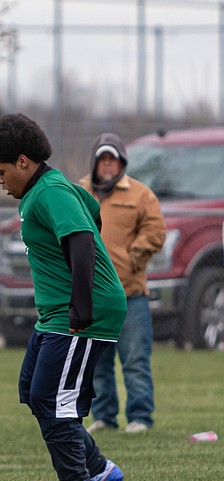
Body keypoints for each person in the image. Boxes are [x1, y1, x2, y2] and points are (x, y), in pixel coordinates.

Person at [0, 113, 127, 481]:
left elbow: (81, 240)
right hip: (57, 313)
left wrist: (82, 302)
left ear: (23, 162)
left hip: (79, 313)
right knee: (32, 390)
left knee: (54, 398)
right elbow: (91, 210)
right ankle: (98, 468)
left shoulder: (50, 192)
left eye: (1, 171)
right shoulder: (45, 189)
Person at [79, 134, 166, 434]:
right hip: (93, 296)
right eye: (102, 158)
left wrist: (133, 258)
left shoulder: (141, 194)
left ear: (122, 162)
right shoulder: (78, 191)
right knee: (97, 362)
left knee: (135, 359)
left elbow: (155, 231)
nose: (107, 164)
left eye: (112, 158)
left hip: (131, 294)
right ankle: (104, 416)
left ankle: (140, 417)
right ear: (95, 162)